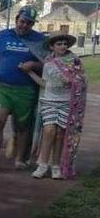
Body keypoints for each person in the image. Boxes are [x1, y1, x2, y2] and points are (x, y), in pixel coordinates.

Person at [24, 33, 87, 180]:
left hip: (67, 102)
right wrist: (30, 73)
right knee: (49, 130)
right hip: (49, 101)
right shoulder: (48, 63)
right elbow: (44, 83)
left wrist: (72, 81)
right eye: (59, 44)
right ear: (52, 47)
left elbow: (82, 81)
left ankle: (56, 165)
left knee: (60, 133)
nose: (63, 46)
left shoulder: (75, 62)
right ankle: (42, 164)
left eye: (65, 44)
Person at [0, 7, 47, 169]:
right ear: (17, 19)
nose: (25, 25)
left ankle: (20, 159)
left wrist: (33, 64)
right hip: (3, 87)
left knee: (22, 126)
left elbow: (49, 64)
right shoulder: (3, 35)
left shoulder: (39, 40)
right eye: (22, 21)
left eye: (29, 23)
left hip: (25, 90)